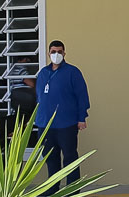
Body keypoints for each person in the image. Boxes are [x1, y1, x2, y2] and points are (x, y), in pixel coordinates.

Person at [34, 40, 89, 181]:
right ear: (48, 54)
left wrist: (81, 118)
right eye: (53, 52)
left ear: (64, 53)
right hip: (46, 124)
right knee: (50, 157)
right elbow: (39, 97)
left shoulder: (72, 72)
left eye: (59, 52)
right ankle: (52, 187)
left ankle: (72, 188)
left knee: (70, 156)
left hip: (66, 123)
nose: (56, 54)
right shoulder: (43, 73)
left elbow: (82, 96)